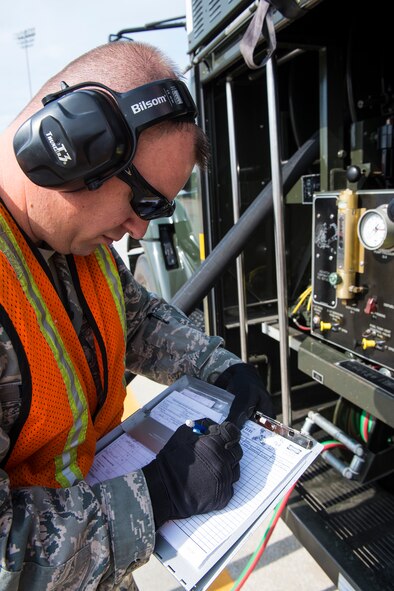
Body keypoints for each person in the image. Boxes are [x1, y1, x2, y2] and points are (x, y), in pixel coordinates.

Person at [0, 40, 274, 590]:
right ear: (68, 148)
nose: (141, 230)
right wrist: (154, 495)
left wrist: (218, 368)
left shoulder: (74, 243)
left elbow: (136, 316)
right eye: (142, 201)